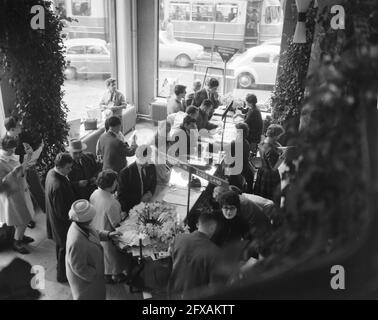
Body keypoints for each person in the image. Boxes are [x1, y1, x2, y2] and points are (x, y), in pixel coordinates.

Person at [66, 199, 121, 300]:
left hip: (94, 277)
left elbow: (94, 232)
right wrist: (95, 274)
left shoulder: (81, 225)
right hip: (86, 284)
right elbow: (79, 267)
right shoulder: (76, 241)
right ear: (86, 219)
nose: (92, 219)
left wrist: (108, 235)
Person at [168, 212, 224, 299]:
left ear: (198, 225)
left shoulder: (178, 238)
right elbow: (214, 287)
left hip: (174, 293)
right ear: (212, 228)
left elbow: (172, 259)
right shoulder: (216, 252)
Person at [90, 170, 131, 284]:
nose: (117, 183)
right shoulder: (112, 203)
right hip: (107, 234)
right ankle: (114, 275)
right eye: (115, 181)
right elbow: (116, 224)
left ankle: (105, 274)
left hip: (96, 228)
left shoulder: (95, 193)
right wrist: (123, 215)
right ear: (112, 184)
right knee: (112, 258)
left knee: (102, 257)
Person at [5, 116, 45, 227]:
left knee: (38, 191)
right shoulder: (5, 144)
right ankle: (28, 220)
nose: (21, 125)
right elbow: (10, 165)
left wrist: (37, 147)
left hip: (29, 167)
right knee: (22, 198)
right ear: (12, 129)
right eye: (18, 125)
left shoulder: (22, 134)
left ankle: (48, 211)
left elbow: (32, 145)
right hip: (18, 173)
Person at [0, 136, 35, 254]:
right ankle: (17, 242)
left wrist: (24, 165)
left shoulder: (11, 156)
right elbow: (4, 181)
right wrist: (17, 170)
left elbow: (20, 171)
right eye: (11, 149)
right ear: (6, 148)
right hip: (12, 194)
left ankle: (20, 236)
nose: (13, 151)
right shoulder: (1, 161)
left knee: (23, 217)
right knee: (23, 219)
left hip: (21, 189)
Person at [45, 153, 76, 283]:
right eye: (68, 167)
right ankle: (62, 276)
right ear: (61, 167)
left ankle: (60, 266)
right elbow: (62, 212)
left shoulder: (51, 172)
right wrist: (75, 217)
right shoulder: (58, 186)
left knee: (60, 247)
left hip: (54, 220)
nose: (71, 170)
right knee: (64, 248)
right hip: (62, 224)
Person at [253, 124, 286, 206]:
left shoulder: (264, 142)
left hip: (262, 172)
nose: (279, 137)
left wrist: (280, 149)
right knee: (269, 200)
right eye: (279, 135)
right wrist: (283, 157)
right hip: (269, 175)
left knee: (261, 197)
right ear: (275, 136)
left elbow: (273, 148)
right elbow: (274, 168)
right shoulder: (271, 150)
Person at [229, 122, 254, 193]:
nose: (234, 132)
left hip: (237, 171)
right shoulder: (246, 142)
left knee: (221, 173)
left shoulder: (235, 143)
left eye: (235, 131)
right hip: (244, 168)